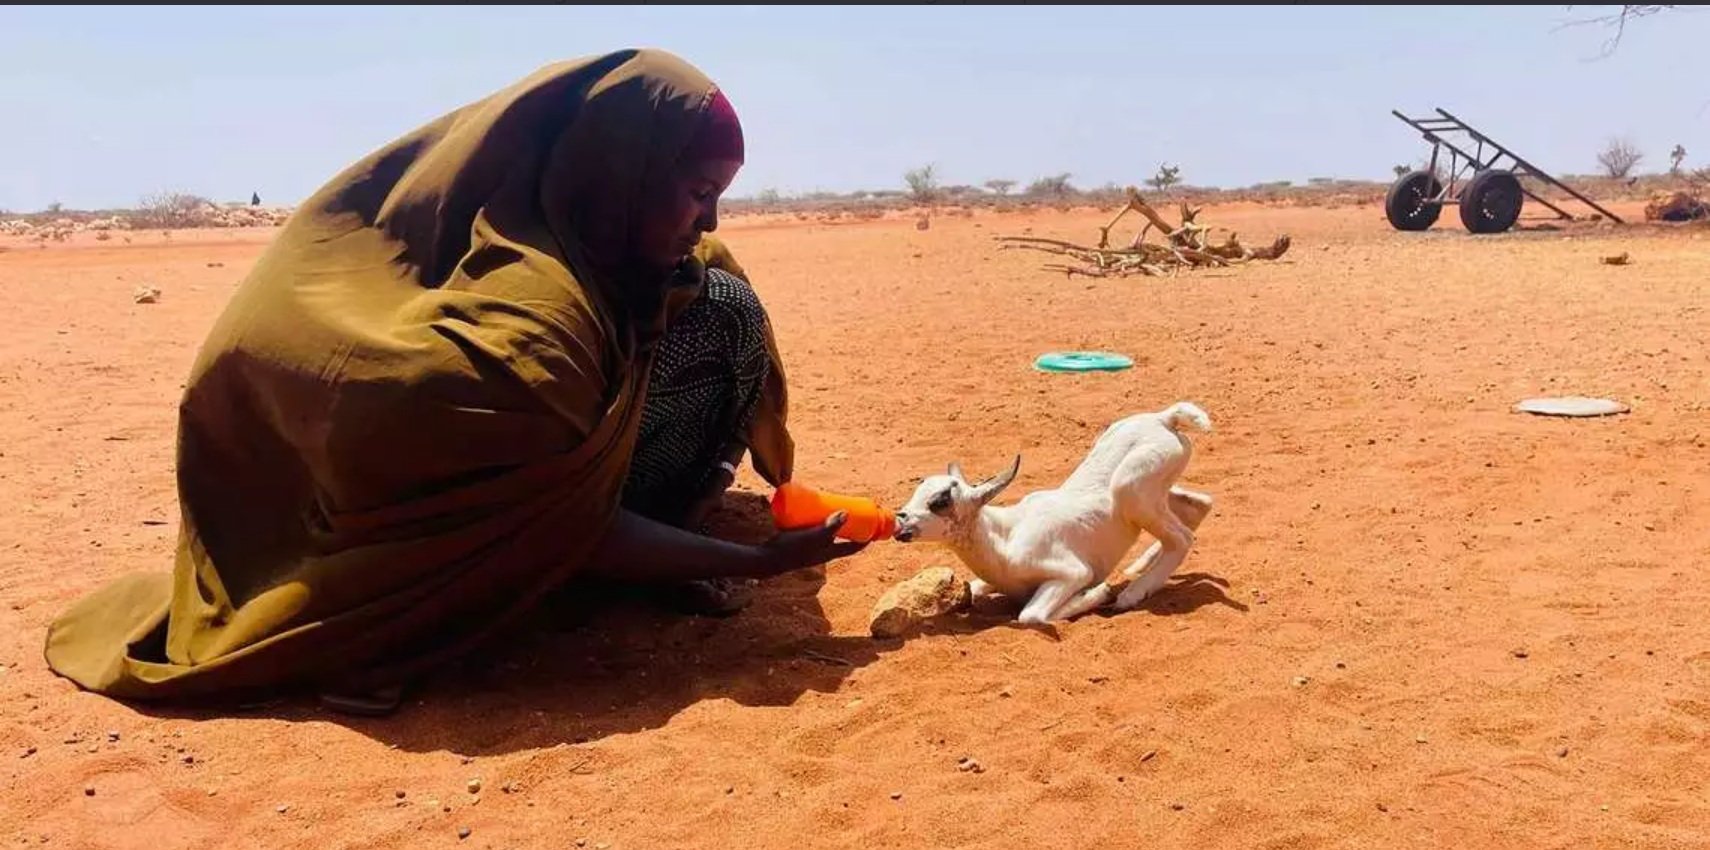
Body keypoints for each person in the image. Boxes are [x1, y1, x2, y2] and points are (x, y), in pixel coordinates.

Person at [43, 49, 864, 716]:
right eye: (698, 194)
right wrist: (753, 561)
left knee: (722, 300)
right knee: (701, 317)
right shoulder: (529, 334)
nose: (709, 221)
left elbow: (700, 286)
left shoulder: (587, 241)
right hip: (362, 531)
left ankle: (651, 536)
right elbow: (576, 525)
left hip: (507, 458)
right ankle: (399, 625)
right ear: (624, 171)